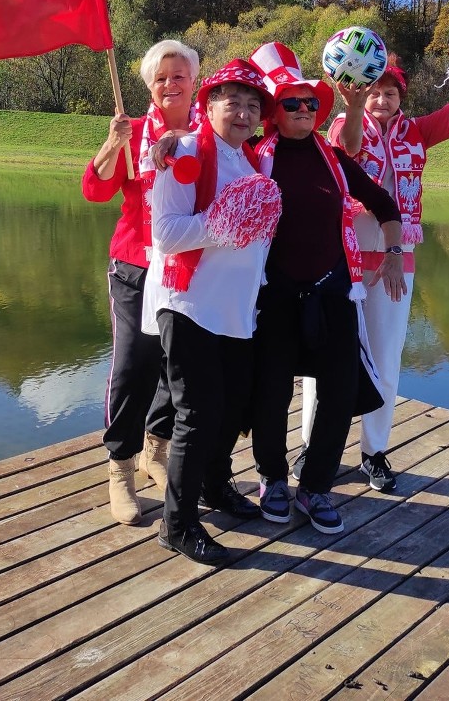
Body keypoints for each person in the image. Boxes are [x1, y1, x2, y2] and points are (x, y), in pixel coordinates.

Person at [309, 21, 449, 494]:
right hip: (344, 255)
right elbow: (348, 147)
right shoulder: (343, 122)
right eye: (375, 91)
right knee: (327, 357)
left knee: (387, 356)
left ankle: (374, 451)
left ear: (401, 99)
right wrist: (352, 108)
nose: (382, 100)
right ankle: (314, 448)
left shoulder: (415, 131)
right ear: (363, 91)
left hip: (397, 259)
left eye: (391, 93)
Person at [247, 42, 404, 536]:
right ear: (274, 110)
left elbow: (384, 204)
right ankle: (273, 479)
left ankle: (316, 486)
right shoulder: (254, 156)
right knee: (271, 393)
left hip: (333, 292)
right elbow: (208, 152)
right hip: (273, 294)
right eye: (292, 103)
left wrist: (394, 253)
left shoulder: (333, 158)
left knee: (338, 392)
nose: (304, 110)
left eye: (311, 102)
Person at [142, 60, 279, 566]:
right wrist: (221, 222)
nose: (242, 113)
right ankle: (176, 526)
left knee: (231, 408)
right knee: (196, 415)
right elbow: (167, 234)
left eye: (252, 105)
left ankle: (214, 486)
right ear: (208, 105)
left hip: (235, 310)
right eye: (232, 102)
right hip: (189, 306)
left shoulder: (254, 162)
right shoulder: (182, 152)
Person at [81, 39, 201, 526]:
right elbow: (95, 190)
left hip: (189, 269)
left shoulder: (206, 132)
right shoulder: (135, 133)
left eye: (179, 75)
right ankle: (120, 467)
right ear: (150, 86)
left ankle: (156, 446)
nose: (171, 84)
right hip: (135, 266)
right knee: (132, 365)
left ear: (194, 82)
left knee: (181, 366)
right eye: (161, 78)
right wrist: (112, 142)